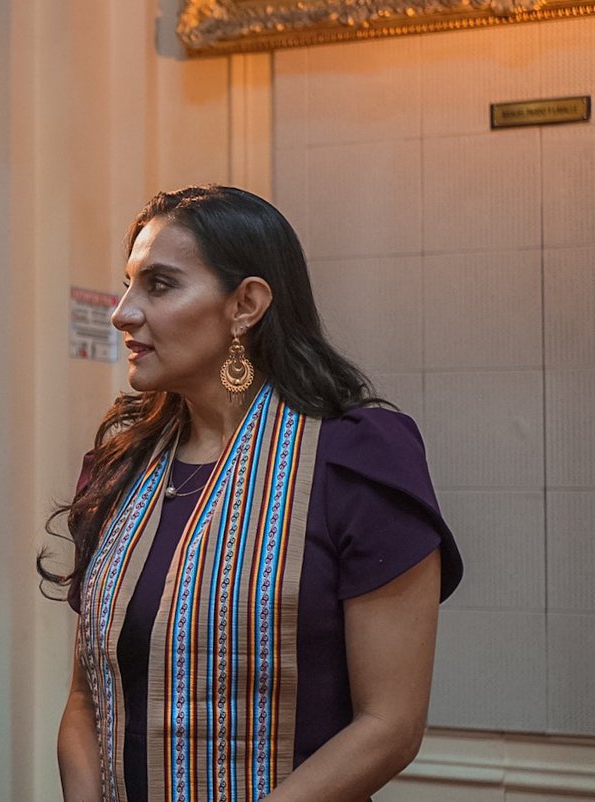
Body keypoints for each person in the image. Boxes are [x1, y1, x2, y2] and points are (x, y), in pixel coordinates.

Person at [41, 185, 462, 801]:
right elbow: (85, 701)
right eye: (128, 283)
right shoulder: (120, 467)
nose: (123, 312)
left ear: (246, 304)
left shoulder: (356, 458)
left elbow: (389, 725)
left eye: (158, 285)